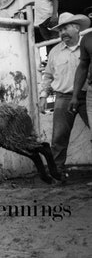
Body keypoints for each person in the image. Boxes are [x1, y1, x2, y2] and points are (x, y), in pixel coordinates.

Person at [38, 13, 91, 180]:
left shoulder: (87, 46)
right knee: (59, 137)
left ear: (76, 28)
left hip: (88, 96)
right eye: (60, 30)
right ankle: (56, 172)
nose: (62, 33)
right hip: (63, 97)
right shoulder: (55, 52)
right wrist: (43, 96)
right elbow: (47, 76)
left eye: (66, 28)